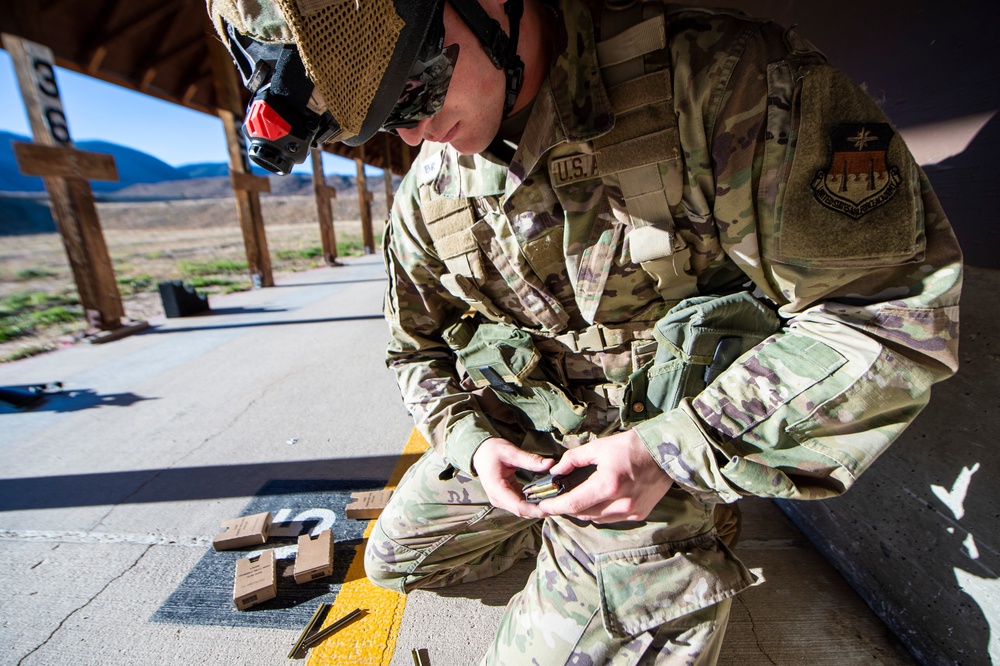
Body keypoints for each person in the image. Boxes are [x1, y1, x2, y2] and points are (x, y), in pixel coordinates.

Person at [207, 0, 963, 662]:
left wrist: (669, 451)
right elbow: (414, 346)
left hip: (672, 434)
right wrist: (474, 446)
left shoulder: (719, 80)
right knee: (396, 562)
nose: (414, 133)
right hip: (538, 440)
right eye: (386, 121)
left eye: (415, 86)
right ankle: (574, 539)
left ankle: (661, 533)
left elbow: (889, 313)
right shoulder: (429, 190)